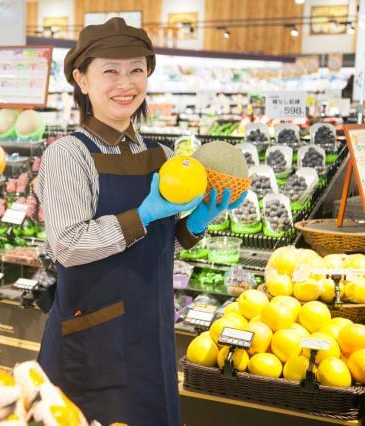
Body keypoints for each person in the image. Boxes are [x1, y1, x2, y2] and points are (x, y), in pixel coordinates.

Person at [36, 18, 246, 425]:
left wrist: (197, 223)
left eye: (136, 70)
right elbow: (68, 245)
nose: (125, 83)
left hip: (152, 330)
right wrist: (143, 214)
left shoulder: (162, 156)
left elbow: (164, 239)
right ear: (81, 79)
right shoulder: (68, 155)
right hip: (94, 340)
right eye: (110, 71)